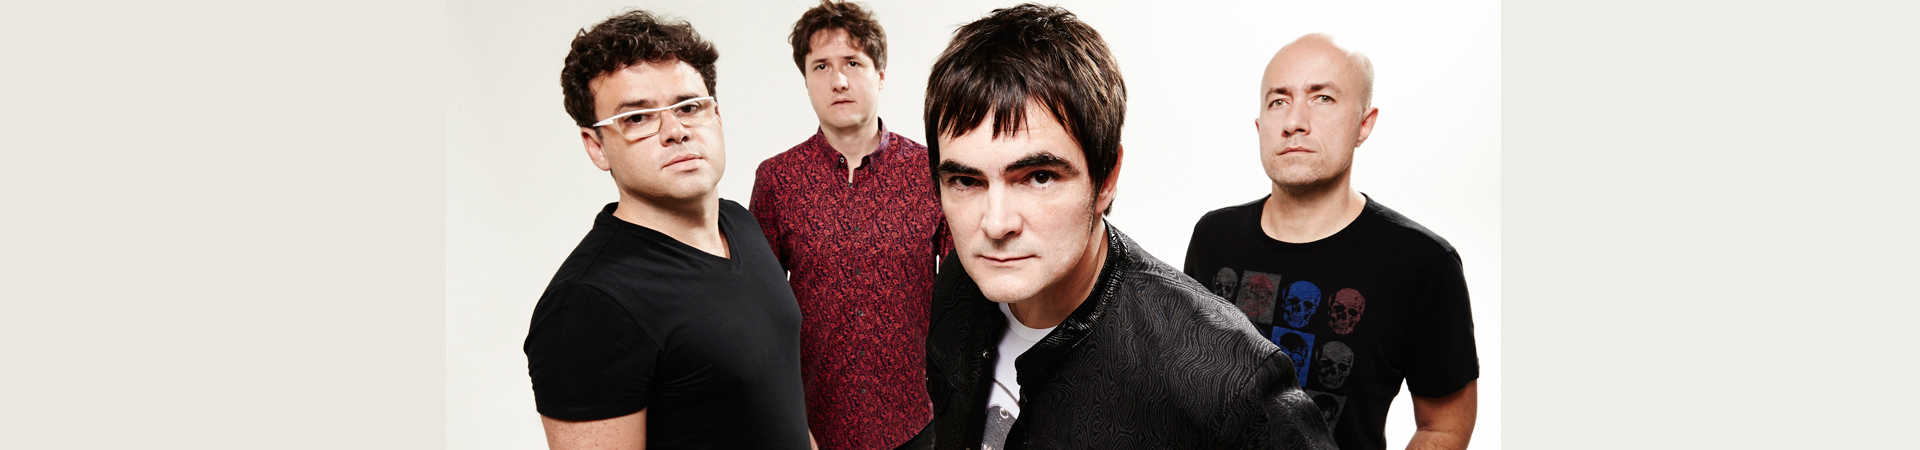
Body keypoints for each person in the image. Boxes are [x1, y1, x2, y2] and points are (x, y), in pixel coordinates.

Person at [921, 4, 1336, 449]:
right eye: (966, 180)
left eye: (1039, 177)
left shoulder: (1228, 380)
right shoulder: (958, 281)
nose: (996, 224)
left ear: (1106, 179)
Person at [523, 10, 813, 449]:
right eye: (637, 118)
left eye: (689, 107)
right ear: (596, 146)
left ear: (717, 116)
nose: (675, 131)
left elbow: (779, 402)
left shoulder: (740, 222)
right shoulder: (587, 305)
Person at [1182, 33, 1480, 450]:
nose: (1294, 122)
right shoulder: (1214, 237)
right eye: (1278, 101)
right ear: (1260, 126)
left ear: (1364, 124)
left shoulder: (1422, 263)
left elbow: (1443, 425)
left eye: (1322, 98)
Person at [749, 2, 948, 449]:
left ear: (880, 75)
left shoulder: (930, 171)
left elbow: (962, 291)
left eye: (852, 63)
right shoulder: (777, 180)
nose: (838, 80)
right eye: (821, 66)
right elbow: (759, 309)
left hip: (917, 418)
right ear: (806, 80)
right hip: (810, 423)